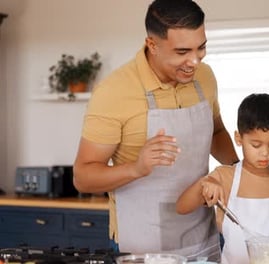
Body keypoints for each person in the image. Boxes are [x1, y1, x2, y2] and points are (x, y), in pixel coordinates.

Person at [72, 0, 239, 261]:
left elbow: (216, 133)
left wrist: (239, 173)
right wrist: (136, 168)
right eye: (182, 51)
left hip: (201, 238)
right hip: (142, 247)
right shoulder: (115, 91)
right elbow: (83, 177)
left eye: (201, 47)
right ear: (152, 44)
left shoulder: (204, 77)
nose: (194, 61)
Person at [176, 93, 269, 264]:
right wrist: (203, 184)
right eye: (256, 145)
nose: (265, 152)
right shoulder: (224, 177)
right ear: (238, 138)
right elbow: (182, 207)